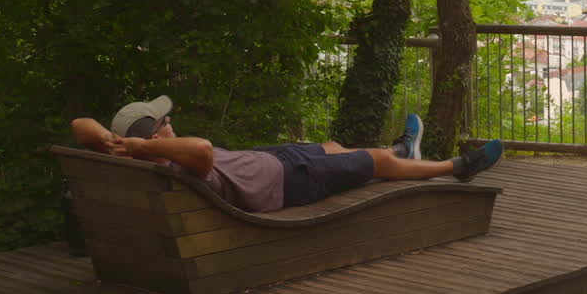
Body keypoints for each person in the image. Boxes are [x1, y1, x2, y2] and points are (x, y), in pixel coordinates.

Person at [70, 96, 503, 212]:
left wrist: (119, 142)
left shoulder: (135, 159)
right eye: (165, 121)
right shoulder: (174, 159)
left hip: (264, 161)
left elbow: (78, 125)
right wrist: (144, 145)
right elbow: (202, 149)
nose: (172, 123)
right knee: (375, 163)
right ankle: (456, 167)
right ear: (154, 136)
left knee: (332, 147)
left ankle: (404, 148)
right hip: (287, 179)